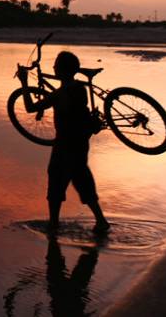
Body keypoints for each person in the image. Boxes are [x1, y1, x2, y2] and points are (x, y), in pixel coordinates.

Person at [17, 50, 110, 234]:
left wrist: (24, 82)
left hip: (65, 144)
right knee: (81, 178)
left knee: (56, 181)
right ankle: (100, 221)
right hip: (81, 142)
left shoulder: (59, 94)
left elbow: (29, 107)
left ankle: (53, 225)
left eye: (56, 65)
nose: (53, 67)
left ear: (61, 70)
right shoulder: (79, 89)